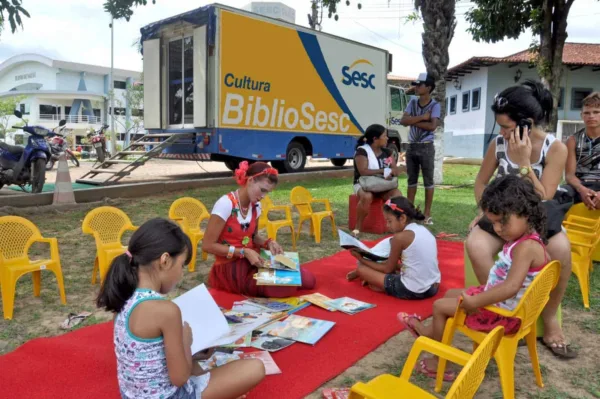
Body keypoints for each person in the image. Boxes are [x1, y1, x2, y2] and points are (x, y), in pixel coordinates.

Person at [400, 176, 550, 380]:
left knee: (440, 307)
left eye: (502, 221)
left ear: (525, 212)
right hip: (506, 305)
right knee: (451, 294)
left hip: (503, 315)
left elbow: (511, 287)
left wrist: (476, 301)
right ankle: (429, 331)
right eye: (494, 222)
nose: (497, 229)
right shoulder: (526, 240)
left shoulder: (526, 248)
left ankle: (436, 361)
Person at [466, 80, 576, 359]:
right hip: (501, 216)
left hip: (535, 218)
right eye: (500, 126)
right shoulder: (497, 144)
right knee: (476, 245)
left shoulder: (555, 148)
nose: (502, 132)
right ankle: (497, 307)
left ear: (526, 123)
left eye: (506, 126)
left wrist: (525, 163)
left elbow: (546, 196)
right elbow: (481, 181)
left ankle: (550, 318)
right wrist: (483, 210)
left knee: (562, 250)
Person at [96, 218, 265, 399]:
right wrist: (186, 341)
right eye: (182, 265)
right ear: (165, 261)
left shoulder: (123, 298)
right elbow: (180, 378)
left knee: (199, 367)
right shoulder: (166, 311)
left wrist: (192, 354)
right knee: (255, 367)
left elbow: (149, 359)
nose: (181, 273)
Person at [202, 161, 316, 297]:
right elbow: (207, 245)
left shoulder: (256, 206)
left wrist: (268, 243)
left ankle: (272, 281)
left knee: (309, 280)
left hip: (254, 259)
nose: (263, 196)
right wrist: (243, 252)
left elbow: (253, 237)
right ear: (250, 180)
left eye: (267, 192)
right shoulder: (226, 204)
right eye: (262, 190)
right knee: (286, 288)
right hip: (231, 266)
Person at [347, 196, 441, 300]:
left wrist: (360, 258)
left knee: (362, 269)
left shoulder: (399, 238)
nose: (387, 225)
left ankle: (377, 283)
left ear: (402, 218)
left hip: (413, 290)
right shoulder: (423, 230)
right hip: (433, 287)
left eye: (389, 221)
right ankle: (376, 281)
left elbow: (388, 269)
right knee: (386, 263)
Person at [400, 73, 441, 225]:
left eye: (419, 85)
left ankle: (427, 214)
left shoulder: (435, 105)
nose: (416, 87)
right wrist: (423, 117)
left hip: (426, 147)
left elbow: (432, 126)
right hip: (412, 146)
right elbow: (403, 120)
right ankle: (410, 213)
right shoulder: (412, 102)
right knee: (412, 180)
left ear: (428, 87)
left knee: (428, 181)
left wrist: (413, 121)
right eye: (416, 85)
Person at [353, 124, 404, 236]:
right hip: (364, 184)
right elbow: (363, 172)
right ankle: (358, 227)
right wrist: (382, 171)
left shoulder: (388, 153)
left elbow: (394, 169)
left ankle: (395, 225)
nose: (387, 138)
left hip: (382, 185)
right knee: (367, 196)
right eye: (384, 136)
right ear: (375, 139)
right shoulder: (362, 152)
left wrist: (393, 172)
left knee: (397, 195)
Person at [562, 91, 600, 209]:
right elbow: (569, 175)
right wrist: (582, 190)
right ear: (581, 115)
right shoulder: (573, 140)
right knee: (557, 195)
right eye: (587, 113)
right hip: (580, 185)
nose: (591, 116)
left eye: (596, 112)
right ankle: (557, 228)